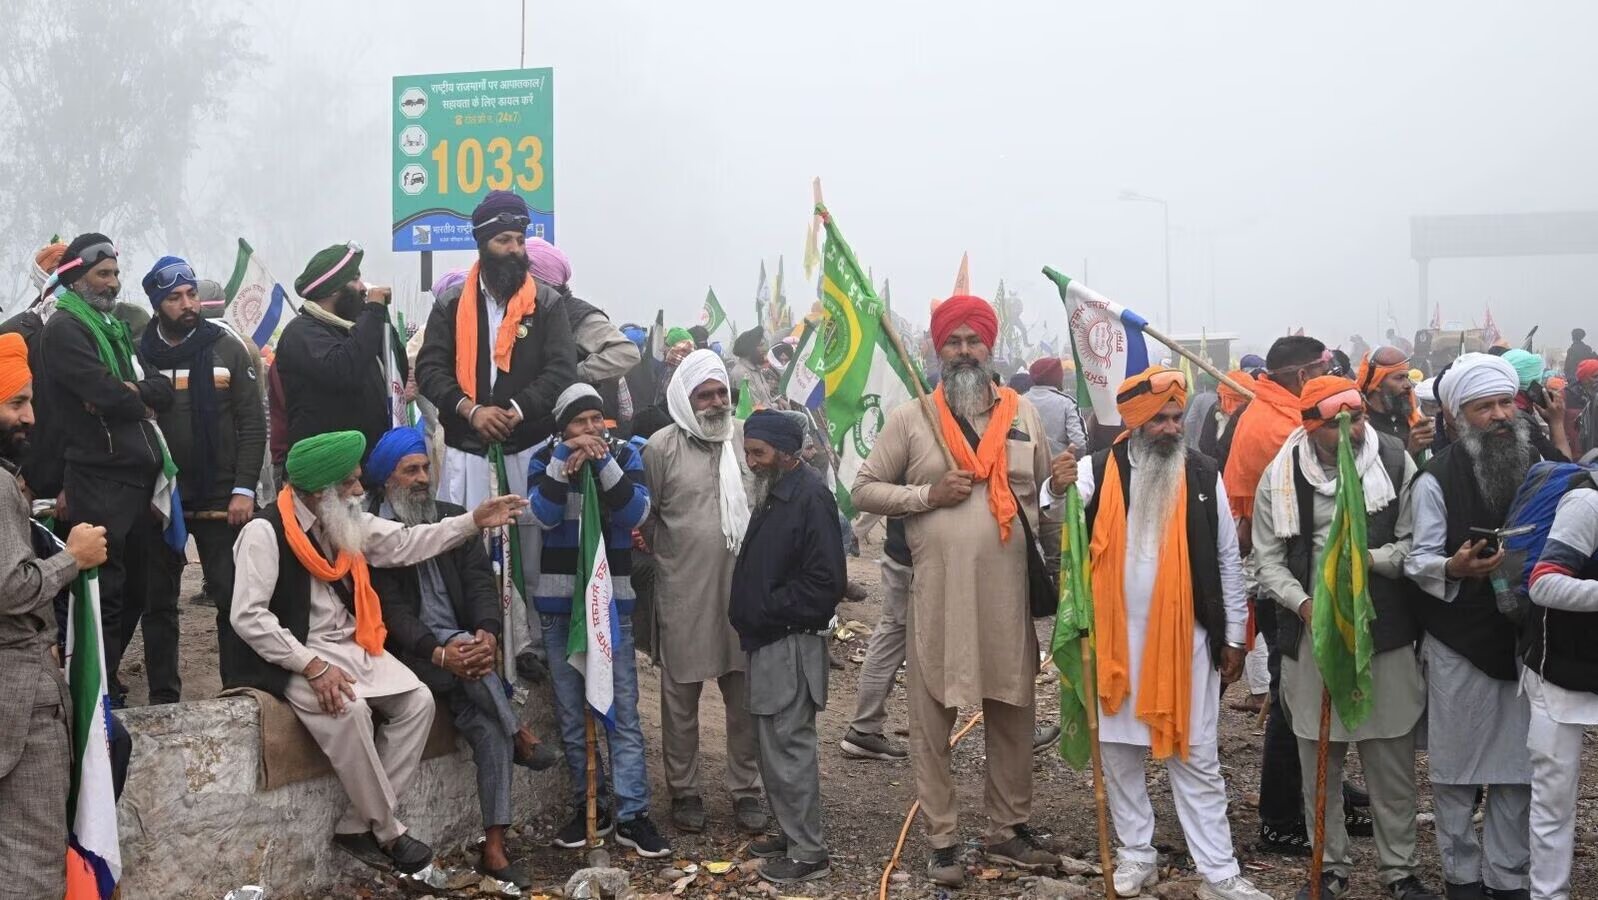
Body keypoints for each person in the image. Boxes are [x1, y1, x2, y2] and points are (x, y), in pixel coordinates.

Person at [227, 430, 526, 874]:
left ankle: (355, 823)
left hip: (350, 643)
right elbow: (249, 617)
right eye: (349, 482)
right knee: (348, 710)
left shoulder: (345, 522)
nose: (358, 491)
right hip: (291, 653)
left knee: (418, 701)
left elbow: (406, 543)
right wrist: (311, 666)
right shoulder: (263, 532)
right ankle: (388, 831)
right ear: (319, 490)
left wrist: (471, 522)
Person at [852, 295, 1073, 887]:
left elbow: (1046, 509)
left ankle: (1008, 829)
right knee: (931, 721)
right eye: (955, 342)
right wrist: (927, 496)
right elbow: (864, 490)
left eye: (975, 341)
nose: (966, 350)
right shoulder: (912, 419)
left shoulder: (1024, 416)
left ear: (991, 347)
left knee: (1014, 714)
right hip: (939, 600)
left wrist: (1065, 568)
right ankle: (943, 839)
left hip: (1008, 599)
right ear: (937, 349)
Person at [1072, 367, 1269, 900]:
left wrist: (1233, 636)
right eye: (1158, 419)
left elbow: (1229, 558)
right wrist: (1056, 482)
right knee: (1119, 755)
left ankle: (1219, 871)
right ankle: (1137, 855)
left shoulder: (1203, 474)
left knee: (1197, 756)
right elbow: (1054, 507)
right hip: (1113, 645)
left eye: (1177, 417)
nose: (1170, 427)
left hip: (1187, 642)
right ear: (1135, 422)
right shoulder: (1099, 468)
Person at [1251, 377, 1438, 900]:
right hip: (1312, 634)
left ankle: (1399, 872)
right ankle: (1328, 869)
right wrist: (1309, 606)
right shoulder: (1282, 473)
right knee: (1319, 761)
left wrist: (1366, 563)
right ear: (1313, 425)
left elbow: (1414, 545)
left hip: (1384, 630)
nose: (1354, 428)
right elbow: (1266, 562)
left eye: (1357, 417)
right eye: (1341, 421)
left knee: (1391, 762)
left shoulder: (1396, 461)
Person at [363, 427, 555, 889]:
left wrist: (488, 633)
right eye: (410, 470)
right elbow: (394, 614)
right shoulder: (373, 533)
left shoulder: (454, 520)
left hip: (464, 656)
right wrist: (439, 651)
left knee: (485, 722)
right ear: (387, 480)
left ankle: (494, 847)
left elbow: (478, 585)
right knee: (471, 663)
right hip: (412, 660)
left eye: (426, 468)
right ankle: (520, 733)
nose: (422, 478)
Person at [1403, 353, 1538, 899]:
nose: (1501, 415)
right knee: (1456, 770)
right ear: (1459, 416)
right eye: (1486, 407)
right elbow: (1417, 558)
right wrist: (1453, 568)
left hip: (1526, 641)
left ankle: (1508, 878)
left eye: (1506, 402)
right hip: (1457, 640)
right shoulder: (1436, 477)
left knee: (1518, 770)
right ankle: (1462, 877)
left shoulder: (1540, 462)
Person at [527, 384, 669, 858]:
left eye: (596, 421)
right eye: (579, 423)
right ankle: (592, 801)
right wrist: (561, 465)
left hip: (612, 607)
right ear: (562, 427)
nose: (590, 430)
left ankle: (633, 814)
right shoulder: (544, 459)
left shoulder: (626, 456)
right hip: (559, 608)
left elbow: (636, 510)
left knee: (622, 713)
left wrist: (601, 464)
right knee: (572, 715)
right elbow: (542, 515)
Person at [37, 234, 179, 705]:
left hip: (135, 478)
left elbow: (155, 388)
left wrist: (133, 393)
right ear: (77, 278)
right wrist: (134, 395)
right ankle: (95, 693)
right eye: (104, 274)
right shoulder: (64, 330)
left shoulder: (113, 329)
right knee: (105, 592)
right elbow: (105, 392)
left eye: (116, 274)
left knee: (137, 587)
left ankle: (108, 674)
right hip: (98, 477)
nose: (114, 285)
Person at [640, 349, 768, 836]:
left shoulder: (746, 443)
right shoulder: (661, 448)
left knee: (744, 699)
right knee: (680, 701)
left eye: (722, 393)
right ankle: (684, 791)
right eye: (705, 395)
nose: (717, 403)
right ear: (684, 399)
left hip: (742, 596)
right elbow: (648, 520)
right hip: (683, 592)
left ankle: (745, 791)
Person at [0, 332, 110, 898]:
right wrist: (75, 558)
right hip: (18, 699)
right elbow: (13, 590)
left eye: (30, 403)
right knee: (33, 855)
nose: (31, 418)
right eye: (16, 404)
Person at [415, 189, 576, 562]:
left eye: (520, 240)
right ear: (483, 245)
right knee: (467, 554)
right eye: (504, 240)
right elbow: (429, 369)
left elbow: (561, 370)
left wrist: (516, 410)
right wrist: (472, 411)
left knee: (529, 557)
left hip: (529, 447)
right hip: (466, 449)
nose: (515, 249)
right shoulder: (451, 303)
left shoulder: (547, 303)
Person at [1221, 335, 1330, 855]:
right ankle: (1281, 817)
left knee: (1308, 691)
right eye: (1326, 368)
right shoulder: (1279, 425)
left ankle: (1319, 791)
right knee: (1292, 699)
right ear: (1302, 376)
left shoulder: (1280, 408)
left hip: (1297, 577)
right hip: (1281, 582)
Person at [731, 410, 846, 884]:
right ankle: (790, 831)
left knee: (789, 745)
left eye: (758, 453)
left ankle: (808, 852)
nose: (750, 461)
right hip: (768, 639)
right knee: (770, 745)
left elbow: (826, 583)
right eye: (748, 451)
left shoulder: (810, 497)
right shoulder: (778, 490)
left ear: (784, 452)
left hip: (790, 641)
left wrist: (768, 607)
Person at [140, 256, 266, 686]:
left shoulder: (229, 347)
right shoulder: (140, 353)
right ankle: (161, 696)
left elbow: (253, 423)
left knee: (232, 599)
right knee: (157, 603)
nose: (188, 304)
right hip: (160, 497)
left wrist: (244, 489)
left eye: (191, 294)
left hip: (220, 496)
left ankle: (236, 688)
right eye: (175, 298)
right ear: (157, 303)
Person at [1523, 470, 1598, 900]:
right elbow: (1543, 583)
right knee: (1554, 799)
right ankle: (1548, 895)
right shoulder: (1587, 504)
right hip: (1560, 673)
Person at [273, 242, 401, 462]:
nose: (363, 288)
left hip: (367, 467)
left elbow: (396, 371)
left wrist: (380, 316)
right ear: (333, 288)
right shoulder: (301, 332)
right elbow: (344, 369)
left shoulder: (354, 329)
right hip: (327, 471)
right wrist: (373, 311)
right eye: (354, 279)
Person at [524, 238, 641, 432]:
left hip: (572, 428)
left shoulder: (576, 315)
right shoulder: (531, 313)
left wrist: (572, 375)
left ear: (543, 282)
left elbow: (627, 352)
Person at [1359, 346, 1435, 458]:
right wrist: (1411, 451)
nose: (1408, 385)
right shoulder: (1362, 425)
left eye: (1407, 377)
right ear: (1377, 383)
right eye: (1399, 378)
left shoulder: (1410, 419)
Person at [1023, 356, 1087, 456]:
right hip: (1059, 468)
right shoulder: (1067, 403)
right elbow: (1078, 444)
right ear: (1057, 378)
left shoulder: (1019, 401)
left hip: (1025, 467)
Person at [729, 326, 777, 410]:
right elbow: (755, 409)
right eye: (760, 345)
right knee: (800, 418)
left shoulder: (756, 370)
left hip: (770, 413)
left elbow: (766, 400)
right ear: (749, 349)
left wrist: (778, 401)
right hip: (761, 419)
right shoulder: (742, 373)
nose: (765, 349)